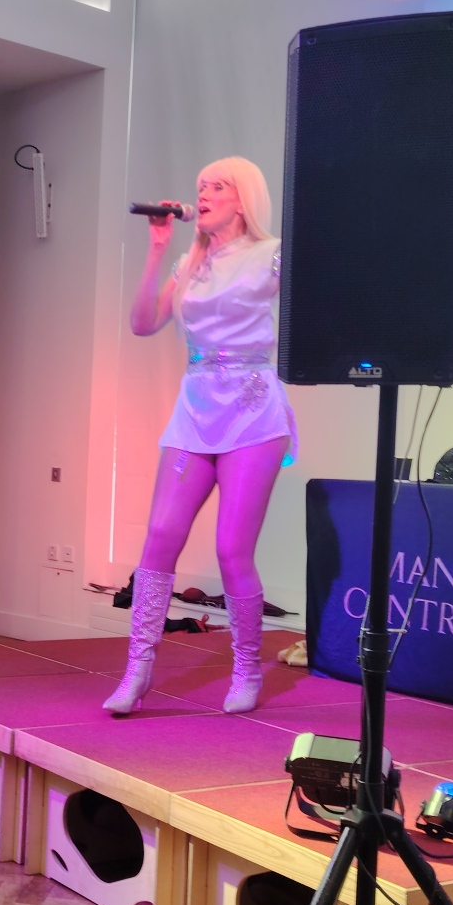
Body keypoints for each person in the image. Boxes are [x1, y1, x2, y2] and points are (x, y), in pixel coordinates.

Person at [105, 158, 296, 718]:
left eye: (217, 186)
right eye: (200, 187)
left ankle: (246, 668)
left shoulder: (273, 253)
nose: (204, 194)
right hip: (195, 408)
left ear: (244, 198)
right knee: (160, 534)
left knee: (232, 548)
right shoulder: (190, 262)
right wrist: (157, 248)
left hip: (252, 410)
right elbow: (143, 323)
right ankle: (138, 669)